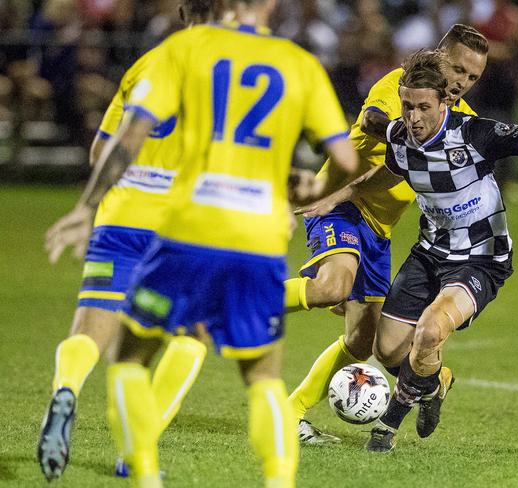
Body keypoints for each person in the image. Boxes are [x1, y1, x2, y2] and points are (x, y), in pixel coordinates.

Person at [44, 0, 358, 486]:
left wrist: (88, 206)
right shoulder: (298, 62)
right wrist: (305, 187)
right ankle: (279, 480)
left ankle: (140, 467)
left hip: (179, 222)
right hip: (258, 234)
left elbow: (120, 141)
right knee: (257, 374)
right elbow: (344, 154)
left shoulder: (181, 51)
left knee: (127, 354)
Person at [300, 48, 518, 452]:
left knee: (429, 329)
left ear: (446, 101)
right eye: (407, 106)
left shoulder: (475, 133)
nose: (413, 117)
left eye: (423, 107)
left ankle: (388, 426)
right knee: (386, 349)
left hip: (481, 257)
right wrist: (341, 195)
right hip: (430, 253)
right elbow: (388, 172)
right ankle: (435, 383)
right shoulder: (400, 135)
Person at [37, 1, 223, 480]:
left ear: (183, 12)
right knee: (193, 337)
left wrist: (86, 206)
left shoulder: (151, 63)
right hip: (184, 224)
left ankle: (67, 392)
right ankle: (138, 445)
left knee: (90, 330)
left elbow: (104, 147)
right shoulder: (236, 73)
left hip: (120, 214)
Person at [285, 24, 489, 444]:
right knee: (332, 286)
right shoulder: (403, 87)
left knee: (364, 343)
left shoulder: (462, 120)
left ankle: (434, 380)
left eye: (472, 78)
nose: (460, 83)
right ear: (438, 57)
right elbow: (375, 120)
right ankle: (236, 301)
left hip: (378, 229)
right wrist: (414, 132)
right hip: (340, 203)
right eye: (456, 69)